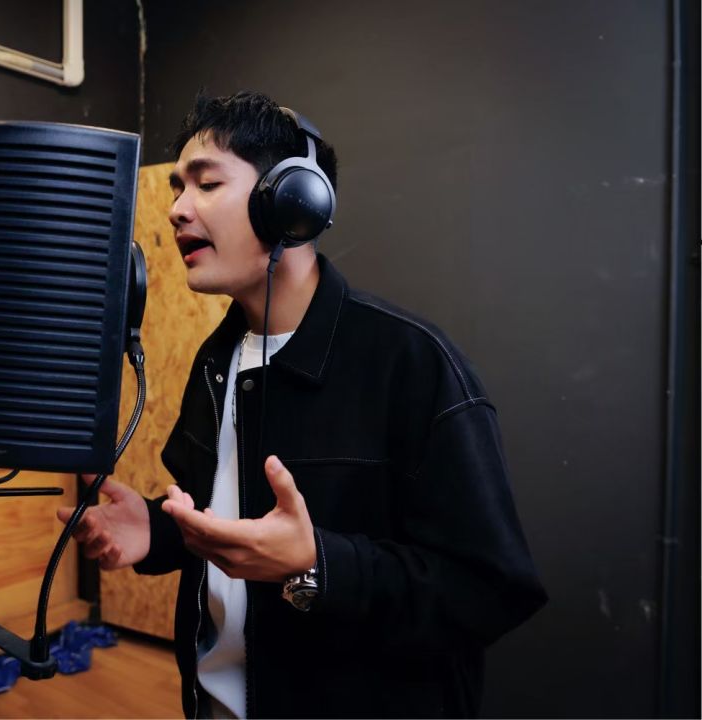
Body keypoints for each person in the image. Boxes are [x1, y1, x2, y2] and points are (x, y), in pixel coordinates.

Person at [58, 90, 547, 719]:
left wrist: (318, 564)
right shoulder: (215, 359)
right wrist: (157, 531)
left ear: (292, 201)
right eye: (177, 187)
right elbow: (227, 521)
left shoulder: (412, 363)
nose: (176, 209)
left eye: (206, 183)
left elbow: (490, 589)